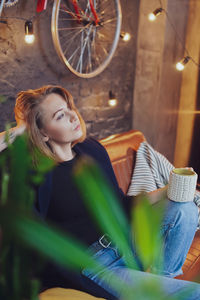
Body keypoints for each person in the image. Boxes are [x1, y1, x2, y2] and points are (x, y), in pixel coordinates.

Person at [1, 84, 200, 299]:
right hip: (93, 264)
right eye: (60, 116)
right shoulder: (33, 174)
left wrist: (168, 190)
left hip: (123, 241)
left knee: (185, 207)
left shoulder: (91, 149)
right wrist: (20, 129)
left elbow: (120, 203)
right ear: (42, 132)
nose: (73, 116)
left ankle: (161, 282)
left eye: (70, 108)